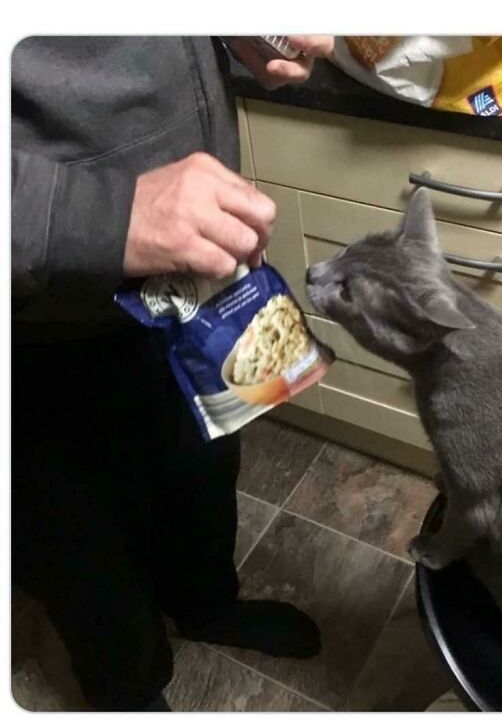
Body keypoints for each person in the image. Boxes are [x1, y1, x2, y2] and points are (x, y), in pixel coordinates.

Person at [11, 35, 334, 711]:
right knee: (80, 543)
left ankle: (208, 607)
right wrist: (99, 215)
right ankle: (125, 691)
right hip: (41, 317)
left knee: (202, 471)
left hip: (189, 283)